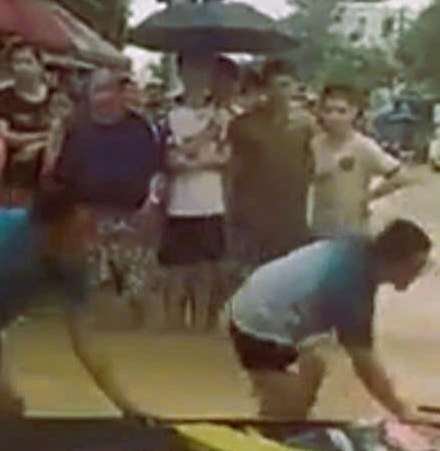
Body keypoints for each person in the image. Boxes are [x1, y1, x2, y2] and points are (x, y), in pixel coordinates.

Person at [0, 186, 147, 418]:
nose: (88, 242)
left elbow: (87, 344)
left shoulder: (70, 261)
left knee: (7, 411)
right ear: (51, 230)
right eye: (80, 232)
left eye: (89, 231)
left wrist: (128, 408)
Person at [227, 218, 431, 420]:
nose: (418, 273)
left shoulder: (359, 253)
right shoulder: (350, 283)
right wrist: (400, 410)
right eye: (416, 266)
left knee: (314, 368)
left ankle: (279, 405)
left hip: (262, 305)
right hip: (257, 325)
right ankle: (275, 418)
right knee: (287, 410)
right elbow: (364, 361)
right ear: (396, 260)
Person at [52, 68, 165, 324]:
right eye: (96, 90)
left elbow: (158, 171)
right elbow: (63, 175)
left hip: (134, 216)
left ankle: (143, 339)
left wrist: (151, 204)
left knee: (137, 287)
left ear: (118, 93)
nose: (102, 97)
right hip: (89, 216)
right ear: (88, 95)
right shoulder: (76, 129)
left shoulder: (141, 128)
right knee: (93, 283)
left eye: (107, 89)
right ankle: (99, 332)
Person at [159, 54, 230, 330]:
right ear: (181, 72)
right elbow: (171, 160)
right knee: (176, 272)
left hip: (211, 202)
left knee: (206, 272)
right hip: (179, 204)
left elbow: (225, 159)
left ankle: (201, 329)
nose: (197, 76)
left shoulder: (223, 116)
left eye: (202, 69)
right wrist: (206, 138)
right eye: (191, 68)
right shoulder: (171, 115)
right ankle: (173, 329)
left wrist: (192, 158)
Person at [227, 60, 314, 272]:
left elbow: (313, 168)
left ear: (295, 87)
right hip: (253, 219)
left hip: (292, 219)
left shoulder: (306, 125)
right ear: (266, 88)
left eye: (286, 86)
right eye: (275, 86)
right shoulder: (243, 126)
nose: (281, 93)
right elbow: (232, 173)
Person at [309, 84, 409, 239]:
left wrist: (369, 196)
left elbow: (400, 175)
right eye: (328, 111)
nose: (334, 117)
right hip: (319, 230)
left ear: (354, 113)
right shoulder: (314, 145)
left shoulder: (363, 146)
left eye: (341, 111)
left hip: (353, 232)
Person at [0, 42, 53, 204]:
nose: (23, 68)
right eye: (17, 62)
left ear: (40, 66)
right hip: (13, 178)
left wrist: (36, 146)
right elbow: (4, 135)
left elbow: (65, 133)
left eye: (28, 62)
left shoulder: (58, 98)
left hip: (51, 180)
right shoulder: (1, 99)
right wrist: (44, 137)